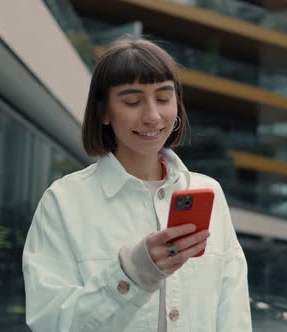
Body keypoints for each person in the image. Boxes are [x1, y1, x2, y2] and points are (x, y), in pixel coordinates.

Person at [22, 38, 252, 331]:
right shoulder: (63, 201)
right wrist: (131, 274)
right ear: (104, 112)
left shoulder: (210, 193)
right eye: (132, 101)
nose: (153, 116)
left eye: (164, 98)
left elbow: (233, 313)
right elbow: (50, 323)